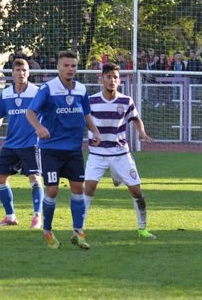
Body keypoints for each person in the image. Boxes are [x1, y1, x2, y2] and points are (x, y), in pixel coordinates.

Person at [26, 50, 101, 250]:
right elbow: (30, 111)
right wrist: (39, 128)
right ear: (58, 67)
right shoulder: (48, 89)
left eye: (73, 66)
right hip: (50, 149)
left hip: (74, 149)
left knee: (78, 189)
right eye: (66, 65)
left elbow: (86, 114)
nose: (70, 69)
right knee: (52, 189)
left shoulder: (81, 90)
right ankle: (48, 231)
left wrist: (94, 131)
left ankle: (78, 232)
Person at [83, 62, 156, 240]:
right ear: (102, 79)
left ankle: (142, 229)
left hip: (120, 153)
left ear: (119, 80)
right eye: (108, 77)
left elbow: (136, 119)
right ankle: (79, 229)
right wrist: (92, 133)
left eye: (115, 77)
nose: (112, 80)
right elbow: (84, 120)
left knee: (136, 191)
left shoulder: (126, 100)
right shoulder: (91, 100)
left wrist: (142, 133)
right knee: (88, 188)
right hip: (97, 154)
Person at [0, 58, 43, 228]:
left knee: (34, 177)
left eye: (24, 70)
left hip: (31, 143)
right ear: (12, 73)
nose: (21, 73)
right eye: (18, 70)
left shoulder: (37, 92)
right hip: (10, 144)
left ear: (29, 73)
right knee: (0, 178)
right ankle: (10, 216)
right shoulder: (6, 94)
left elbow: (47, 113)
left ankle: (37, 215)